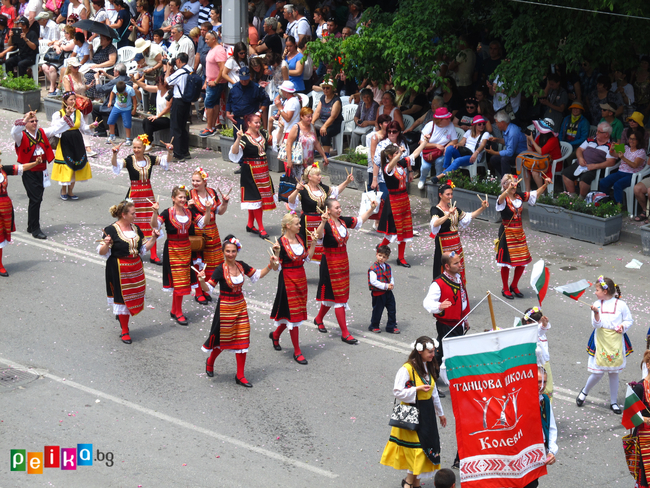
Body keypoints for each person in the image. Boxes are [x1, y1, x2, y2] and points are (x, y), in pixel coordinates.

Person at [198, 235, 279, 387]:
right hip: (225, 309)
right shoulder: (219, 270)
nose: (231, 254)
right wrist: (202, 280)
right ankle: (210, 361)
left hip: (240, 306)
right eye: (228, 251)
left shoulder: (241, 266)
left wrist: (269, 265)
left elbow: (257, 275)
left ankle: (240, 375)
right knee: (223, 342)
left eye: (233, 251)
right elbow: (208, 289)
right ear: (223, 252)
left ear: (237, 251)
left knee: (242, 339)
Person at [380, 336, 446, 486]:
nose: (433, 354)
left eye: (433, 351)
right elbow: (397, 391)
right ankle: (409, 482)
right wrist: (417, 389)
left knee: (423, 449)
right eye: (430, 351)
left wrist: (440, 413)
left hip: (427, 413)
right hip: (412, 414)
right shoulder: (407, 369)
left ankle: (414, 483)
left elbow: (433, 393)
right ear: (420, 351)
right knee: (418, 449)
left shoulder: (428, 366)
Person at [313, 197, 377, 345]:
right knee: (339, 299)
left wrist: (372, 209)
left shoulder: (342, 221)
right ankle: (344, 332)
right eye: (336, 208)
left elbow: (360, 220)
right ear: (328, 210)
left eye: (340, 207)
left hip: (342, 262)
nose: (340, 210)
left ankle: (318, 319)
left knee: (333, 295)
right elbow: (319, 236)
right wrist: (322, 221)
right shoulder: (326, 225)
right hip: (329, 264)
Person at [98, 200, 159, 344]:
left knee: (133, 296)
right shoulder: (111, 230)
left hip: (135, 268)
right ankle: (125, 330)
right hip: (119, 268)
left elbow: (143, 249)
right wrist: (106, 244)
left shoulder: (136, 228)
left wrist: (154, 238)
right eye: (133, 213)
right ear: (123, 215)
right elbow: (102, 252)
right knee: (121, 298)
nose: (135, 215)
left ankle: (122, 317)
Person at [110, 134, 172, 264]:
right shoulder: (129, 160)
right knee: (133, 222)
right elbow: (116, 164)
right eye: (134, 147)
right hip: (134, 196)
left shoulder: (150, 159)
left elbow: (166, 160)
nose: (136, 150)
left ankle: (154, 255)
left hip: (148, 195)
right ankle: (134, 250)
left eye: (139, 147)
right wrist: (114, 154)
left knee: (152, 222)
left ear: (144, 148)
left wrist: (170, 151)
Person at [576, 276, 633, 414]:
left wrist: (622, 326)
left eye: (597, 290)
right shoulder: (597, 304)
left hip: (615, 341)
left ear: (605, 291)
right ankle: (584, 392)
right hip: (600, 340)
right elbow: (596, 324)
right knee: (597, 372)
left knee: (614, 373)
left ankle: (613, 402)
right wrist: (596, 313)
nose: (595, 292)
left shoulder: (621, 305)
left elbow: (629, 320)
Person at [269, 213, 317, 364]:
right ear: (288, 226)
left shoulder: (301, 238)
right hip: (288, 279)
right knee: (293, 316)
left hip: (301, 278)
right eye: (297, 224)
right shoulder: (280, 243)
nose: (300, 226)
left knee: (291, 315)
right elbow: (276, 268)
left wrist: (314, 243)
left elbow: (307, 258)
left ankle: (276, 335)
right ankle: (297, 351)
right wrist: (276, 254)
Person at [496, 173, 551, 299]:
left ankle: (514, 285)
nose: (514, 186)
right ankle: (505, 288)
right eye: (511, 184)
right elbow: (500, 200)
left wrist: (545, 184)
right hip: (507, 232)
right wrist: (507, 190)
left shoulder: (519, 196)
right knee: (506, 262)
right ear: (504, 186)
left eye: (515, 184)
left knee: (522, 261)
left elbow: (534, 194)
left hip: (518, 232)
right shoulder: (502, 198)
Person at [150, 186, 198, 326]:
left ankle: (174, 310)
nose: (183, 200)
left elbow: (204, 222)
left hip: (186, 249)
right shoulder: (166, 213)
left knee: (183, 281)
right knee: (179, 282)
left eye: (184, 197)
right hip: (172, 250)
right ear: (173, 198)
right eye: (180, 197)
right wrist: (154, 212)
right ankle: (178, 312)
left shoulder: (189, 212)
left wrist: (207, 210)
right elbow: (154, 225)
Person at [287, 164, 352, 264]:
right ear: (309, 176)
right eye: (317, 175)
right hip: (308, 223)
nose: (320, 177)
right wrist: (296, 190)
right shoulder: (303, 189)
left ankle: (324, 273)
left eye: (320, 174)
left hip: (324, 221)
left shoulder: (322, 188)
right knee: (306, 247)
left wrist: (347, 181)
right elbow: (291, 202)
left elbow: (336, 191)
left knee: (323, 249)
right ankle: (298, 270)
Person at [377, 140, 428, 268]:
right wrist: (399, 153)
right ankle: (381, 248)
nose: (398, 154)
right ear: (390, 156)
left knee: (404, 230)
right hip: (393, 202)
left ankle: (401, 258)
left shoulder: (400, 164)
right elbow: (391, 165)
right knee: (392, 231)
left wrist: (424, 142)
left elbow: (415, 154)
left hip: (403, 200)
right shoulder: (387, 168)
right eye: (395, 153)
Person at [430, 183, 488, 285]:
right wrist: (448, 214)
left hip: (456, 244)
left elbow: (468, 217)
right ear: (440, 195)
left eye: (451, 194)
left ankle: (458, 292)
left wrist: (482, 208)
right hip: (443, 244)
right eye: (447, 194)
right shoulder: (435, 209)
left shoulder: (454, 209)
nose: (450, 197)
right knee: (445, 268)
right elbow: (435, 223)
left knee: (457, 267)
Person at [11, 111, 57, 240]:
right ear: (26, 124)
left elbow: (56, 129)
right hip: (29, 172)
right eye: (32, 121)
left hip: (41, 171)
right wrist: (25, 118)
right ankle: (35, 229)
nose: (35, 123)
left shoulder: (41, 133)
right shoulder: (20, 136)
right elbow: (14, 132)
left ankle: (31, 226)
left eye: (36, 121)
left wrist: (68, 116)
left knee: (36, 199)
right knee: (35, 199)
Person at [229, 113, 276, 239]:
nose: (258, 124)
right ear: (248, 123)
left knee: (256, 199)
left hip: (263, 170)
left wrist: (276, 127)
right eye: (256, 122)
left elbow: (273, 143)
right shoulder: (244, 138)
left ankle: (250, 224)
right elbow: (234, 153)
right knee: (256, 199)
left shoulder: (263, 134)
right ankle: (261, 228)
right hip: (250, 172)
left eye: (259, 122)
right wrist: (238, 138)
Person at [423, 252, 470, 375]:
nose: (460, 265)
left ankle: (437, 375)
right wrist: (439, 306)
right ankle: (431, 378)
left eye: (459, 262)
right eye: (456, 263)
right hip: (447, 325)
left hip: (458, 323)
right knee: (443, 353)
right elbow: (427, 303)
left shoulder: (458, 278)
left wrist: (465, 320)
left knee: (446, 351)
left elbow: (463, 300)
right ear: (447, 267)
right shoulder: (438, 284)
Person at [188, 166, 229, 304]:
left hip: (213, 232)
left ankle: (206, 289)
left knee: (213, 263)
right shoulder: (190, 195)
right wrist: (188, 207)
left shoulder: (211, 192)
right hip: (198, 234)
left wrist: (225, 203)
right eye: (193, 180)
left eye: (197, 181)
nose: (195, 183)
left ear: (205, 181)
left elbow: (219, 211)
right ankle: (198, 292)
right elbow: (192, 217)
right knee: (199, 264)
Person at [50, 92, 99, 200]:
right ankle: (63, 190)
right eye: (71, 99)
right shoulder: (58, 114)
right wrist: (65, 119)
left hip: (77, 141)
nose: (73, 102)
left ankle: (71, 191)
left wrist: (91, 126)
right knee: (67, 166)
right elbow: (54, 129)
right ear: (65, 101)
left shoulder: (78, 114)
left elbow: (83, 128)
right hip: (65, 141)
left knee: (75, 166)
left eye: (74, 99)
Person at [0, 152, 41, 275]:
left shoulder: (4, 170)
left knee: (0, 235)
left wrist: (36, 163)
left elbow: (21, 168)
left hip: (4, 208)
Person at [561, 121, 616, 198]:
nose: (596, 133)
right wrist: (580, 158)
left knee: (584, 180)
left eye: (599, 132)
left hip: (595, 167)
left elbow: (611, 162)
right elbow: (579, 149)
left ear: (606, 134)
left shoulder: (613, 145)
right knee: (566, 173)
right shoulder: (591, 139)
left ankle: (581, 198)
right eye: (597, 130)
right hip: (581, 162)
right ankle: (572, 195)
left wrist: (595, 166)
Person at [431, 115, 491, 183]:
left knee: (457, 160)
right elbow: (462, 143)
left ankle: (440, 176)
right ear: (474, 125)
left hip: (473, 157)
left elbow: (482, 145)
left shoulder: (485, 134)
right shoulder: (469, 132)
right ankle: (446, 171)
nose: (482, 126)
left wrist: (476, 153)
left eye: (483, 124)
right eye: (479, 124)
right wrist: (456, 145)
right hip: (464, 153)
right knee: (450, 148)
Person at [599, 128, 647, 204]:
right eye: (630, 138)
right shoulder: (625, 147)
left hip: (632, 174)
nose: (631, 141)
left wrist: (623, 158)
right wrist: (611, 149)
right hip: (621, 172)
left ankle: (618, 207)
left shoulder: (641, 152)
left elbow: (634, 165)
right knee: (603, 182)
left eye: (634, 139)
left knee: (617, 185)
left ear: (639, 140)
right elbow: (614, 154)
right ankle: (606, 202)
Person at [418, 107, 457, 190]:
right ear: (440, 120)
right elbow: (422, 143)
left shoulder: (450, 125)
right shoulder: (430, 125)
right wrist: (436, 145)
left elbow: (455, 140)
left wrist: (446, 147)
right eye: (447, 118)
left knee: (440, 162)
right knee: (425, 167)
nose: (450, 120)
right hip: (428, 151)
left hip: (441, 152)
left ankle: (438, 181)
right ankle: (422, 179)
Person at [284, 107, 328, 180]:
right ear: (302, 116)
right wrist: (289, 160)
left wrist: (324, 156)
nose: (310, 118)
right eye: (308, 117)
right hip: (298, 162)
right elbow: (289, 144)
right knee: (299, 184)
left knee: (309, 182)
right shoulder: (296, 127)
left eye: (311, 116)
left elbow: (316, 142)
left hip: (309, 162)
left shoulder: (312, 126)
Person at [521, 118, 562, 193]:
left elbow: (541, 152)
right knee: (525, 165)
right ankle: (527, 190)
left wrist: (532, 140)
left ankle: (541, 193)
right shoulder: (540, 137)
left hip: (552, 164)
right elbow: (531, 150)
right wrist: (528, 139)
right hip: (541, 161)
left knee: (535, 171)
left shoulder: (553, 140)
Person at [627, 351, 650, 486]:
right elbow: (630, 416)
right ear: (648, 365)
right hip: (644, 442)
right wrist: (645, 419)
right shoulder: (640, 388)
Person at [225, 66, 271, 131]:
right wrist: (228, 113)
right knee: (237, 140)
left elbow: (266, 99)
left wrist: (260, 111)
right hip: (237, 120)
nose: (244, 81)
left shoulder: (256, 88)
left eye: (246, 79)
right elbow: (229, 101)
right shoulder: (234, 88)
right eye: (242, 79)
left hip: (250, 120)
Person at [165, 51, 193, 161]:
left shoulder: (181, 72)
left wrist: (168, 68)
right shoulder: (190, 69)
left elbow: (167, 81)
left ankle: (178, 154)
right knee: (183, 127)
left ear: (179, 60)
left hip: (179, 101)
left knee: (176, 127)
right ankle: (185, 151)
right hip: (187, 101)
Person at [522, 306, 554, 398]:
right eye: (537, 322)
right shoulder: (528, 333)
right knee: (536, 391)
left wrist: (544, 324)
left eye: (540, 321)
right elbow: (539, 330)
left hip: (545, 364)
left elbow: (541, 330)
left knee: (548, 391)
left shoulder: (541, 333)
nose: (539, 324)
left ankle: (547, 409)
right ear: (528, 323)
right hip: (534, 367)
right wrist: (543, 325)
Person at [199, 30, 225, 137]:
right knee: (213, 104)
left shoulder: (218, 50)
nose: (205, 41)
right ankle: (212, 127)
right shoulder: (212, 49)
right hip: (210, 81)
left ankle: (209, 127)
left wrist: (216, 81)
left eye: (207, 39)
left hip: (215, 83)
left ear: (214, 39)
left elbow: (222, 68)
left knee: (209, 104)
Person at [486, 110, 528, 177]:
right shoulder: (506, 129)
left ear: (502, 123)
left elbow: (509, 152)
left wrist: (494, 152)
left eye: (497, 123)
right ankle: (506, 178)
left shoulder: (513, 132)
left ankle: (507, 182)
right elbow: (507, 142)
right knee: (493, 159)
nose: (496, 125)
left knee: (504, 159)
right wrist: (497, 140)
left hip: (522, 154)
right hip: (514, 153)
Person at [368, 244, 398, 334]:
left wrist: (391, 284)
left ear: (387, 258)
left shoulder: (388, 267)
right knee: (378, 310)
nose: (381, 258)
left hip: (388, 292)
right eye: (380, 255)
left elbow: (391, 276)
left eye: (384, 257)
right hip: (378, 293)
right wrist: (385, 286)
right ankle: (374, 325)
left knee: (392, 309)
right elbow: (374, 282)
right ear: (376, 255)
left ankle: (391, 326)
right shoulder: (373, 269)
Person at [134, 73, 172, 142]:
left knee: (148, 122)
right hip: (159, 117)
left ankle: (148, 143)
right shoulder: (158, 90)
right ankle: (148, 142)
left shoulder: (169, 93)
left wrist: (157, 116)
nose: (157, 84)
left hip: (168, 119)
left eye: (158, 83)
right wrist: (135, 81)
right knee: (146, 122)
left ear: (165, 83)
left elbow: (168, 107)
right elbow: (145, 86)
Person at [311, 78, 342, 156]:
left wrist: (324, 126)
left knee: (324, 131)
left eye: (327, 88)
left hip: (334, 124)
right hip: (322, 121)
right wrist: (312, 122)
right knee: (311, 127)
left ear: (332, 89)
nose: (325, 90)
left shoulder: (336, 100)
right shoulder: (322, 98)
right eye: (323, 88)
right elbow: (317, 112)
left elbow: (333, 116)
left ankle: (326, 153)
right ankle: (316, 149)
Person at [106, 80, 138, 145]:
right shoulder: (115, 87)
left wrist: (134, 109)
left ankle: (128, 139)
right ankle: (112, 136)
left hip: (126, 109)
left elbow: (134, 99)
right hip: (117, 107)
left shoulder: (130, 89)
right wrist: (110, 101)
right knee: (110, 121)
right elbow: (112, 93)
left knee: (127, 124)